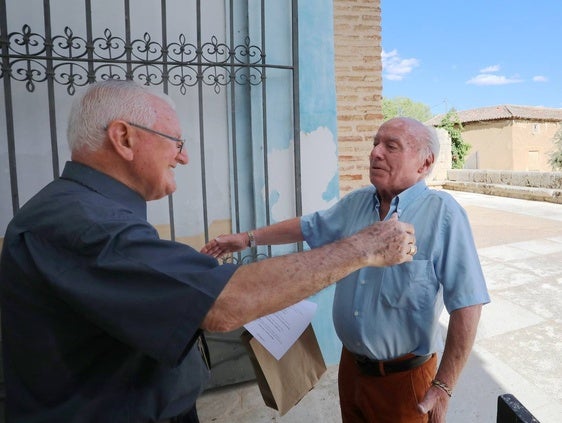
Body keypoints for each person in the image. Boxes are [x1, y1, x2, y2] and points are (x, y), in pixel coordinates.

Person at [0, 80, 417, 423]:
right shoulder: (87, 224)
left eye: (391, 146)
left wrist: (199, 266)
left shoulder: (85, 212)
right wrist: (364, 246)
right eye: (174, 141)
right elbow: (226, 302)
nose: (182, 156)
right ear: (123, 137)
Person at [202, 117, 491, 423]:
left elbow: (468, 305)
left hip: (404, 380)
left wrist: (444, 387)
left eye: (391, 146)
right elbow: (307, 226)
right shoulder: (356, 204)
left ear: (424, 163)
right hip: (351, 368)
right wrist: (246, 239)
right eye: (375, 143)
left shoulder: (443, 214)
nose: (375, 153)